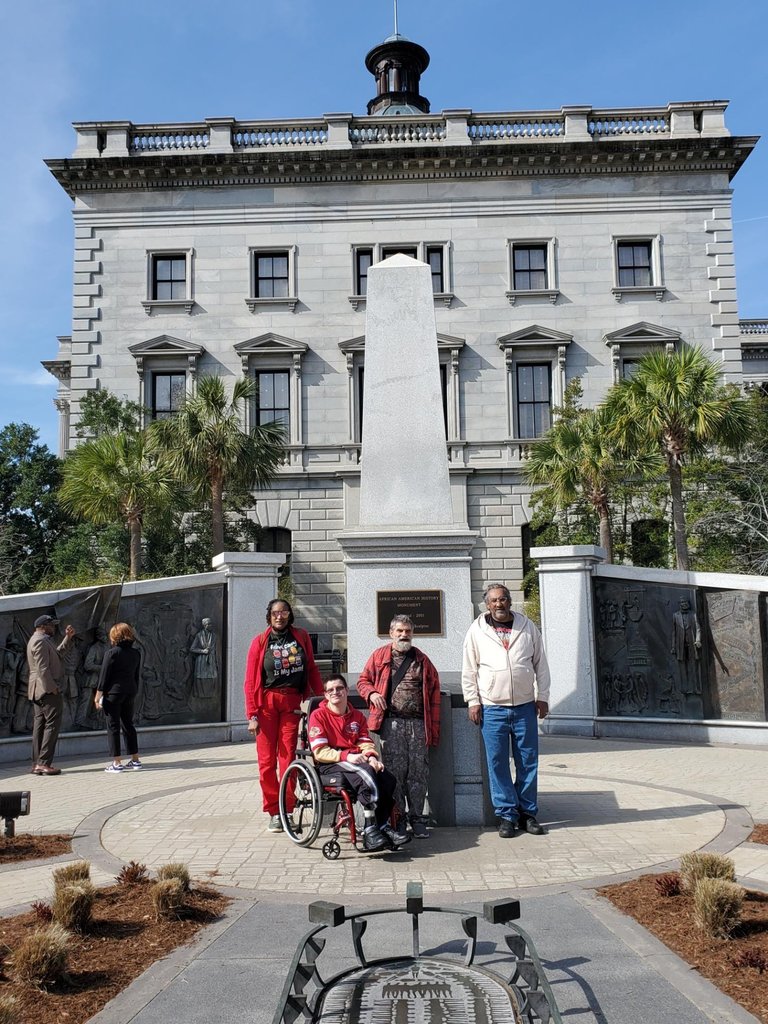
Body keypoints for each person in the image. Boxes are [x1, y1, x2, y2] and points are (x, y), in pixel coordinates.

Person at [462, 584, 550, 838]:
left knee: (527, 761)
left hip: (524, 706)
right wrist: (473, 701)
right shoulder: (476, 631)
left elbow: (540, 664)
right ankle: (507, 815)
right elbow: (469, 669)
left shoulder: (527, 626)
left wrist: (542, 696)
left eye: (503, 599)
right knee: (498, 762)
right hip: (492, 707)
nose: (499, 604)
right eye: (494, 601)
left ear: (510, 601)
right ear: (487, 604)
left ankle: (528, 813)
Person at [356, 614, 441, 839]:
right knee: (394, 774)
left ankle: (417, 818)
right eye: (400, 631)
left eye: (408, 631)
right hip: (391, 724)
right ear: (391, 633)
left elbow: (434, 689)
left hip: (417, 724)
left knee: (418, 772)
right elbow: (362, 681)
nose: (404, 635)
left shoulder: (422, 660)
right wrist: (372, 693)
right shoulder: (379, 657)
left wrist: (432, 727)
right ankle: (398, 818)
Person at [243, 599, 324, 833]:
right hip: (266, 705)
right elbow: (250, 681)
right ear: (269, 616)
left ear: (290, 615)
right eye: (275, 613)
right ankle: (273, 810)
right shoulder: (259, 642)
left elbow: (311, 669)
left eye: (284, 612)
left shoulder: (301, 636)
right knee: (266, 763)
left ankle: (287, 808)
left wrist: (321, 698)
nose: (280, 616)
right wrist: (252, 714)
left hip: (291, 703)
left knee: (288, 758)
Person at [308, 674, 408, 852]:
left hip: (358, 761)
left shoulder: (356, 716)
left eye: (339, 688)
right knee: (367, 776)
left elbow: (365, 741)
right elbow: (320, 751)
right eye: (330, 690)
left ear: (347, 690)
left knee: (387, 778)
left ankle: (383, 825)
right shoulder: (318, 716)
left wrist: (372, 757)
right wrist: (347, 756)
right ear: (325, 695)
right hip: (331, 762)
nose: (335, 692)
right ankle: (371, 829)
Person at [26, 614, 76, 776]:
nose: (54, 628)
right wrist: (52, 688)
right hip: (45, 690)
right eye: (51, 625)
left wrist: (68, 638)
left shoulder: (42, 639)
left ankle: (37, 764)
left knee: (40, 726)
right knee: (51, 725)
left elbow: (58, 655)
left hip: (38, 690)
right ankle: (44, 763)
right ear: (42, 626)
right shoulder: (40, 641)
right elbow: (42, 669)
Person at [96, 622, 143, 773]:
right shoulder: (136, 653)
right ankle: (135, 760)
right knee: (128, 724)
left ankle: (116, 763)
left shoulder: (112, 653)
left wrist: (97, 697)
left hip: (114, 694)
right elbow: (136, 676)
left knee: (113, 726)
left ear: (115, 635)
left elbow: (103, 677)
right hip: (130, 691)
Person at [190, 617, 219, 699]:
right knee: (201, 677)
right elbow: (192, 648)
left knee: (212, 676)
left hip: (211, 660)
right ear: (204, 625)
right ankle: (201, 694)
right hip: (201, 660)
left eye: (211, 623)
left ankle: (211, 694)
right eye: (209, 624)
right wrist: (203, 651)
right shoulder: (199, 635)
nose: (211, 625)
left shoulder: (214, 636)